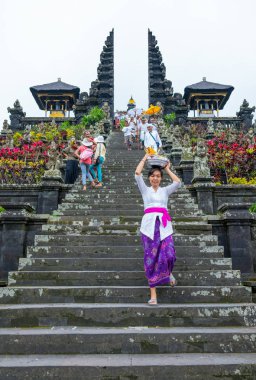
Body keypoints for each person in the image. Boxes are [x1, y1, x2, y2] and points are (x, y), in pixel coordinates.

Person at [135, 156, 181, 305]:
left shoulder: (165, 191)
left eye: (158, 176)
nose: (155, 178)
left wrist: (167, 168)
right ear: (149, 178)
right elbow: (137, 174)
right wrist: (145, 158)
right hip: (149, 228)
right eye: (153, 176)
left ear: (161, 178)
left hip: (164, 226)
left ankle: (168, 272)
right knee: (151, 259)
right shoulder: (145, 190)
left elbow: (177, 182)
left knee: (170, 254)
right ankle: (153, 295)